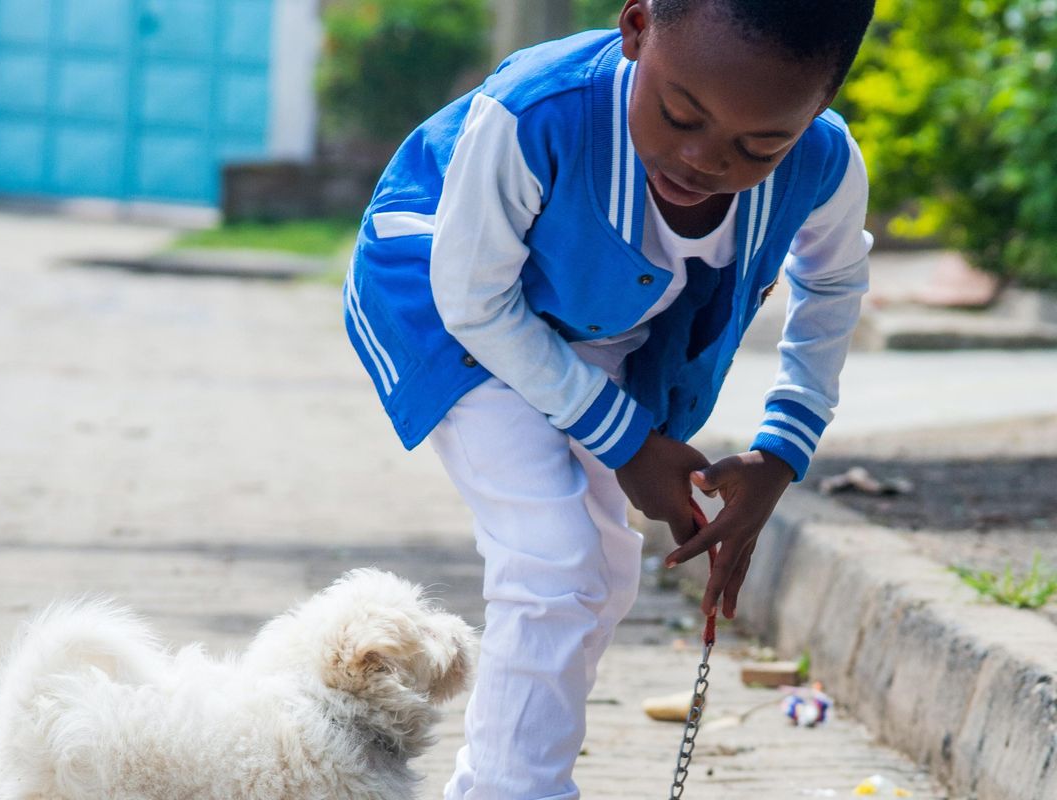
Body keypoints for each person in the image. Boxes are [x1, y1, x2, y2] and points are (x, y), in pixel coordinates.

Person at [342, 0, 876, 796]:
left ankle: (501, 779)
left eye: (759, 146)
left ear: (816, 108)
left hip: (599, 324)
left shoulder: (824, 160)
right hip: (451, 304)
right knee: (552, 557)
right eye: (680, 115)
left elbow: (831, 284)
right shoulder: (537, 114)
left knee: (603, 573)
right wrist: (627, 441)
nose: (703, 159)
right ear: (636, 28)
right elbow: (475, 301)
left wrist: (780, 451)